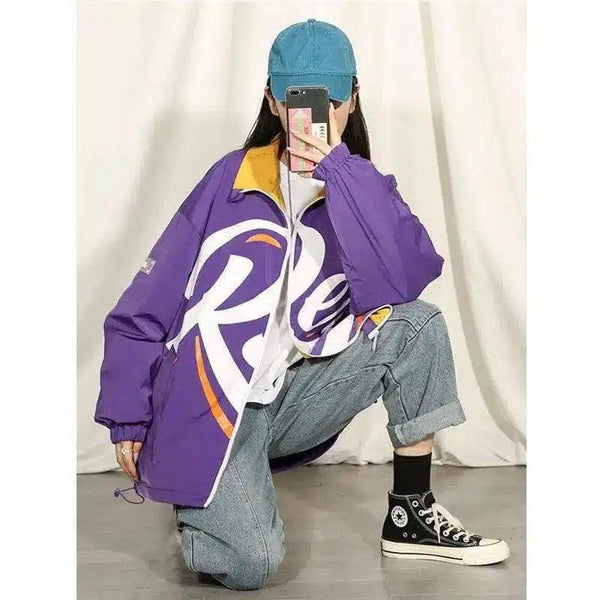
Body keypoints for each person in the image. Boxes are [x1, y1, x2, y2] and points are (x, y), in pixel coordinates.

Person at [94, 18, 510, 591]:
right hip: (214, 401)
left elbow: (406, 281)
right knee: (251, 564)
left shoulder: (360, 185)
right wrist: (128, 413)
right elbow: (143, 304)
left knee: (417, 327)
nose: (314, 117)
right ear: (272, 101)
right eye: (297, 102)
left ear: (352, 100)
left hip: (295, 397)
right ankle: (203, 489)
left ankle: (410, 513)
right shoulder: (230, 181)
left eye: (329, 101)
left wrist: (342, 175)